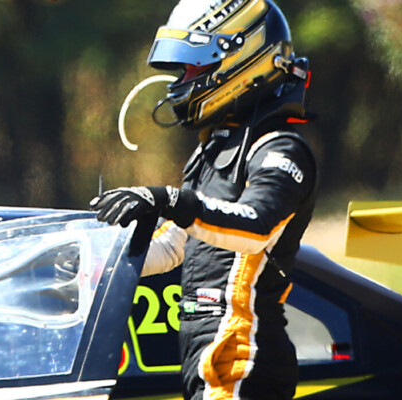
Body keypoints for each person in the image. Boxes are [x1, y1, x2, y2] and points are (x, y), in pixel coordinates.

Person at [89, 0, 317, 399]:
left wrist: (171, 200)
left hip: (245, 357)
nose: (183, 79)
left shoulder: (279, 148)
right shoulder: (214, 148)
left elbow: (256, 226)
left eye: (196, 67)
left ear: (241, 60)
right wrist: (96, 256)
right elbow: (176, 245)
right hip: (209, 363)